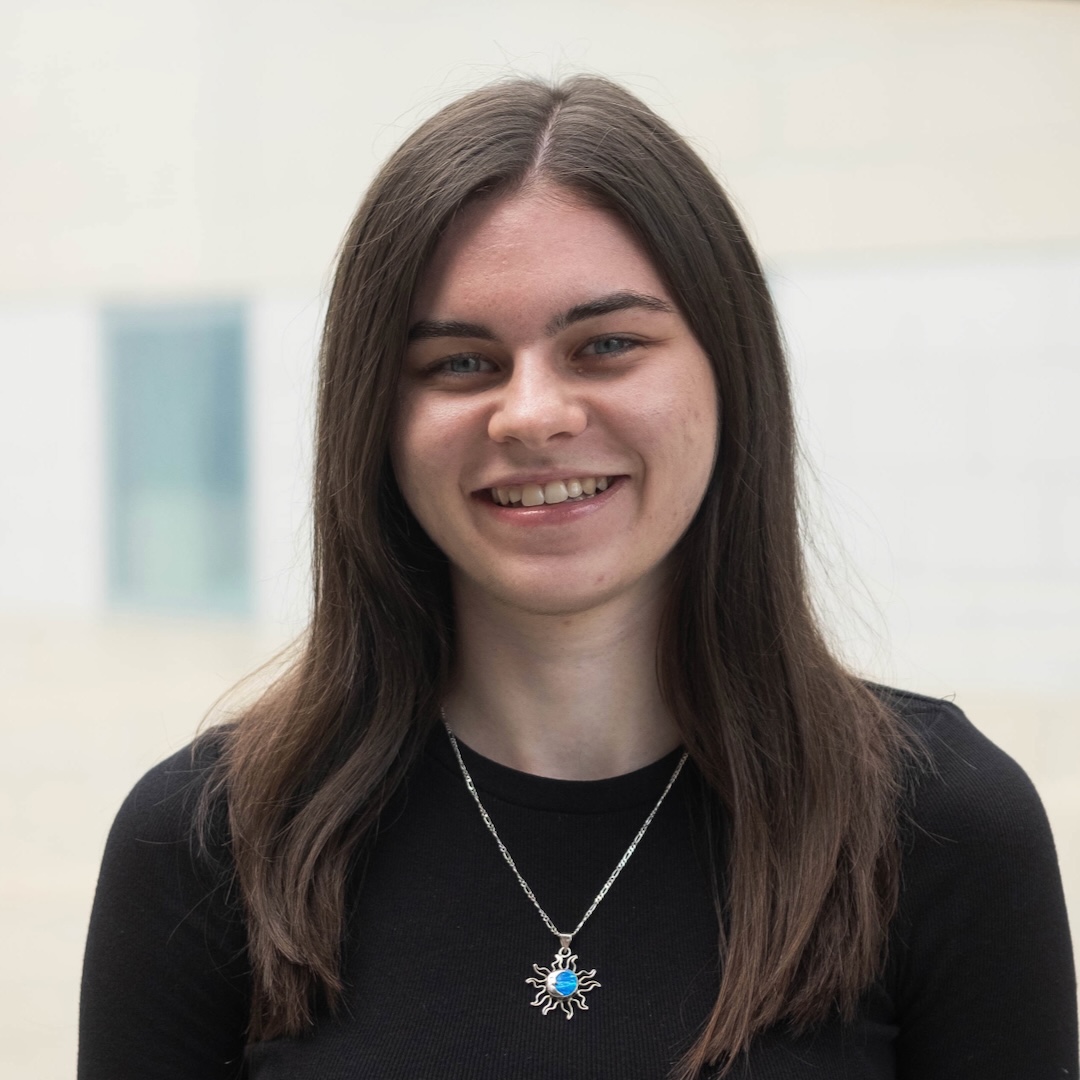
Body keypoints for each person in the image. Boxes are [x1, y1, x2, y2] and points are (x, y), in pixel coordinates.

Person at [78, 75, 1077, 1079]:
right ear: (374, 422)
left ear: (730, 373)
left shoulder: (942, 827)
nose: (533, 415)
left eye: (605, 345)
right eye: (460, 364)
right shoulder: (206, 847)